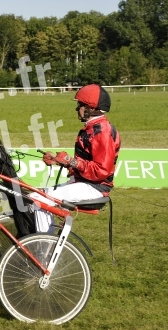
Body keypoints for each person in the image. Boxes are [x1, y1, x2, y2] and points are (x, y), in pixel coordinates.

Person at [31, 84, 121, 233]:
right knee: (34, 196)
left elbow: (101, 171)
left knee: (39, 200)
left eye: (80, 105)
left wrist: (71, 161)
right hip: (84, 183)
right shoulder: (91, 128)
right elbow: (85, 165)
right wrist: (59, 161)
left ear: (90, 108)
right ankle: (41, 239)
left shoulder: (102, 132)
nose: (76, 108)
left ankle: (43, 248)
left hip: (95, 188)